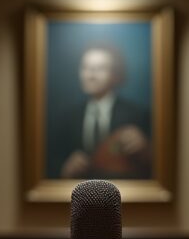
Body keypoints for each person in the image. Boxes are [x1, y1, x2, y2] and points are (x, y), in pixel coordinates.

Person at [47, 44, 152, 179]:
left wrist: (145, 149)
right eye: (85, 67)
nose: (90, 75)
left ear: (116, 75)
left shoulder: (138, 114)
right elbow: (51, 160)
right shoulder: (68, 117)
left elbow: (155, 165)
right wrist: (64, 167)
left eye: (100, 68)